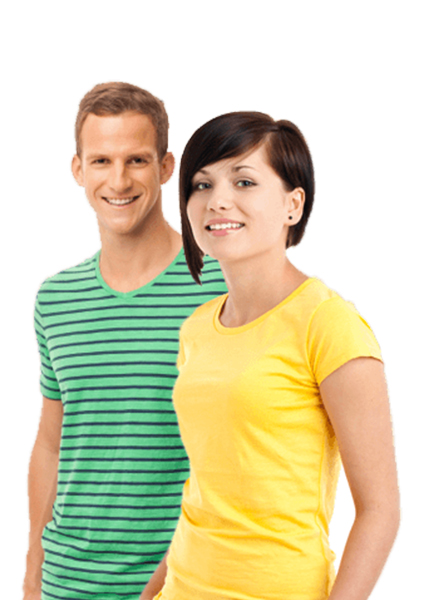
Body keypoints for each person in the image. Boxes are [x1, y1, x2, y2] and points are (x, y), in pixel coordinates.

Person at [140, 112, 400, 600]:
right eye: (201, 184)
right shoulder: (196, 329)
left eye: (244, 181)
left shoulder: (328, 323)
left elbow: (380, 511)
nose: (217, 200)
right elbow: (205, 491)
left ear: (292, 205)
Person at [23, 82, 228, 600]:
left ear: (165, 167)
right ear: (78, 170)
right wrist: (33, 569)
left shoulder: (221, 289)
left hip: (182, 583)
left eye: (136, 160)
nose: (118, 180)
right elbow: (52, 443)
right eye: (101, 161)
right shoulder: (56, 299)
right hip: (67, 582)